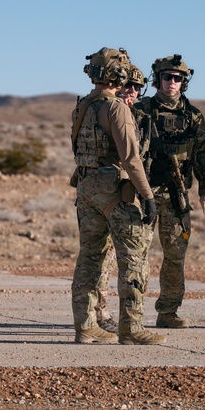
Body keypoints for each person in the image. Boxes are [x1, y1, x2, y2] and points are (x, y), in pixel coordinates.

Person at [71, 49, 166, 345]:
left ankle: (85, 326)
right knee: (133, 258)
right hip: (113, 189)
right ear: (116, 74)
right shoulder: (115, 108)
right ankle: (131, 327)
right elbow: (130, 158)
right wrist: (147, 196)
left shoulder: (82, 106)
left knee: (90, 257)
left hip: (86, 188)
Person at [134, 54, 205, 329]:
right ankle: (131, 313)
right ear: (158, 79)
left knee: (175, 254)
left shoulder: (193, 116)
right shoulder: (141, 109)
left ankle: (168, 312)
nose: (172, 82)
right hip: (143, 192)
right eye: (167, 77)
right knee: (137, 253)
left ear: (184, 82)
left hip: (176, 194)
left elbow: (204, 156)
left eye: (177, 78)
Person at [91, 64, 149, 334]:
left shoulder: (137, 117)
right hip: (110, 193)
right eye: (129, 86)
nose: (133, 92)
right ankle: (100, 313)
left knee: (125, 257)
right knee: (104, 258)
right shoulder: (111, 110)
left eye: (137, 88)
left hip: (127, 194)